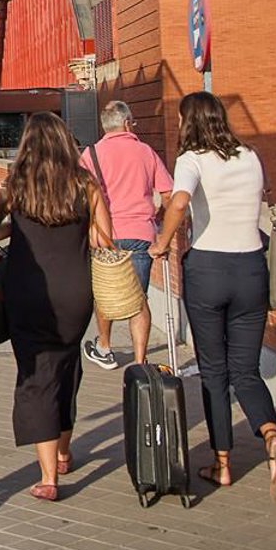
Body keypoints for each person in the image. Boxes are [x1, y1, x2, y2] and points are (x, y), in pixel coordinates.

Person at [151, 91, 276, 504]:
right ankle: (271, 436)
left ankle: (222, 464)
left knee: (214, 372)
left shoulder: (192, 158)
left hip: (209, 270)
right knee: (246, 370)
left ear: (189, 121)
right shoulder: (249, 155)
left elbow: (179, 201)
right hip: (252, 269)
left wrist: (163, 240)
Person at [0, 112, 113, 501]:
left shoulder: (14, 184)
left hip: (27, 292)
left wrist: (12, 223)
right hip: (76, 291)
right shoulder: (85, 183)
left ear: (28, 143)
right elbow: (103, 240)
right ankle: (64, 449)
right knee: (66, 365)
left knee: (37, 375)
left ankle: (49, 477)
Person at [79, 100, 173, 368]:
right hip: (140, 232)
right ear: (128, 123)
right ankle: (140, 360)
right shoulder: (146, 152)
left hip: (104, 236)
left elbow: (81, 196)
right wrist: (159, 220)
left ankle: (105, 347)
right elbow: (168, 194)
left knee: (105, 293)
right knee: (138, 299)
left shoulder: (90, 154)